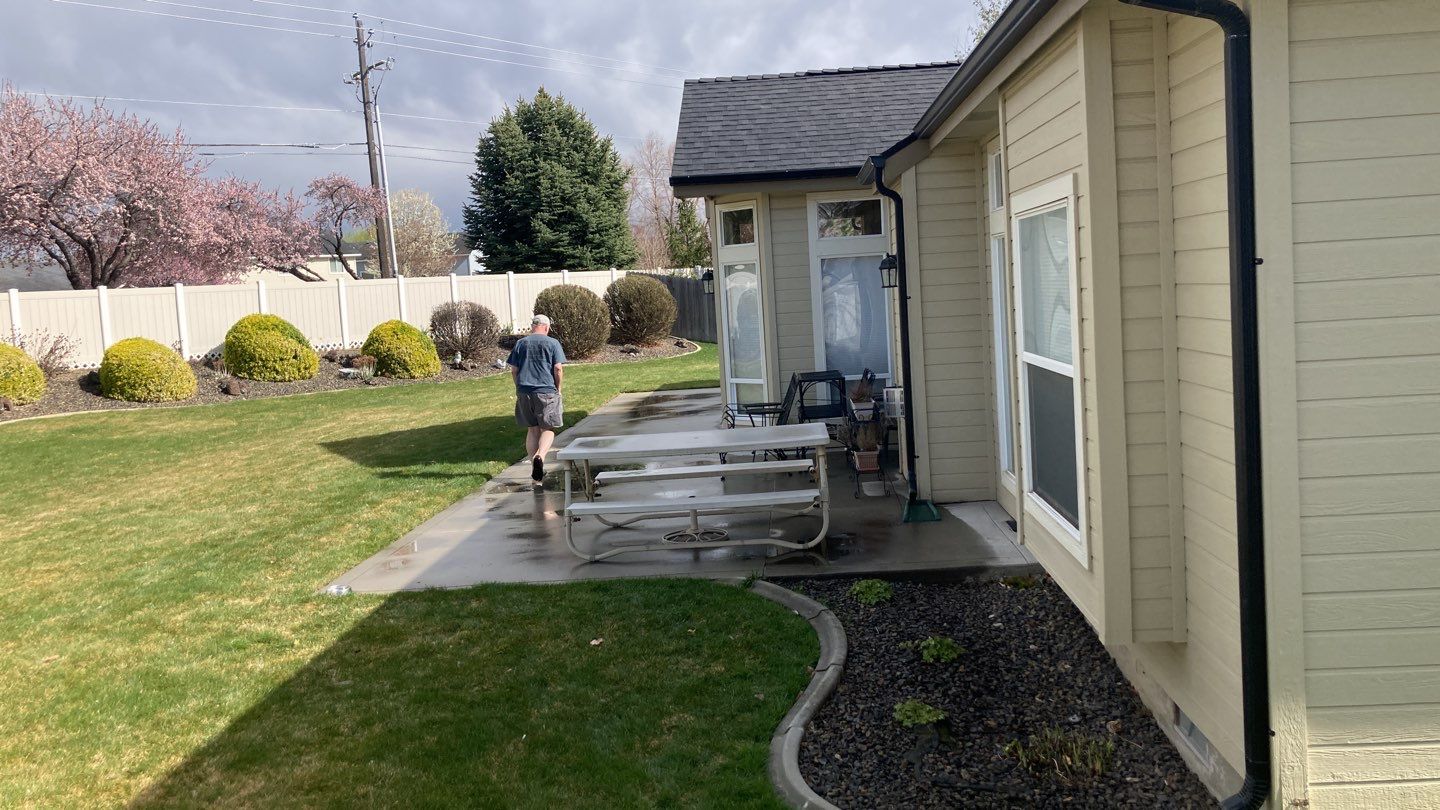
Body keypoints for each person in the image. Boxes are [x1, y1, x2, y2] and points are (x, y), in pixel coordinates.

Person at [508, 314, 567, 485]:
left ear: (533, 326)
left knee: (532, 429)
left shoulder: (521, 343)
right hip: (546, 391)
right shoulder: (552, 343)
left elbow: (513, 370)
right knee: (547, 428)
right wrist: (558, 389)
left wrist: (518, 387)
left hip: (524, 391)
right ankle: (539, 456)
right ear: (546, 327)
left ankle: (536, 477)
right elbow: (558, 369)